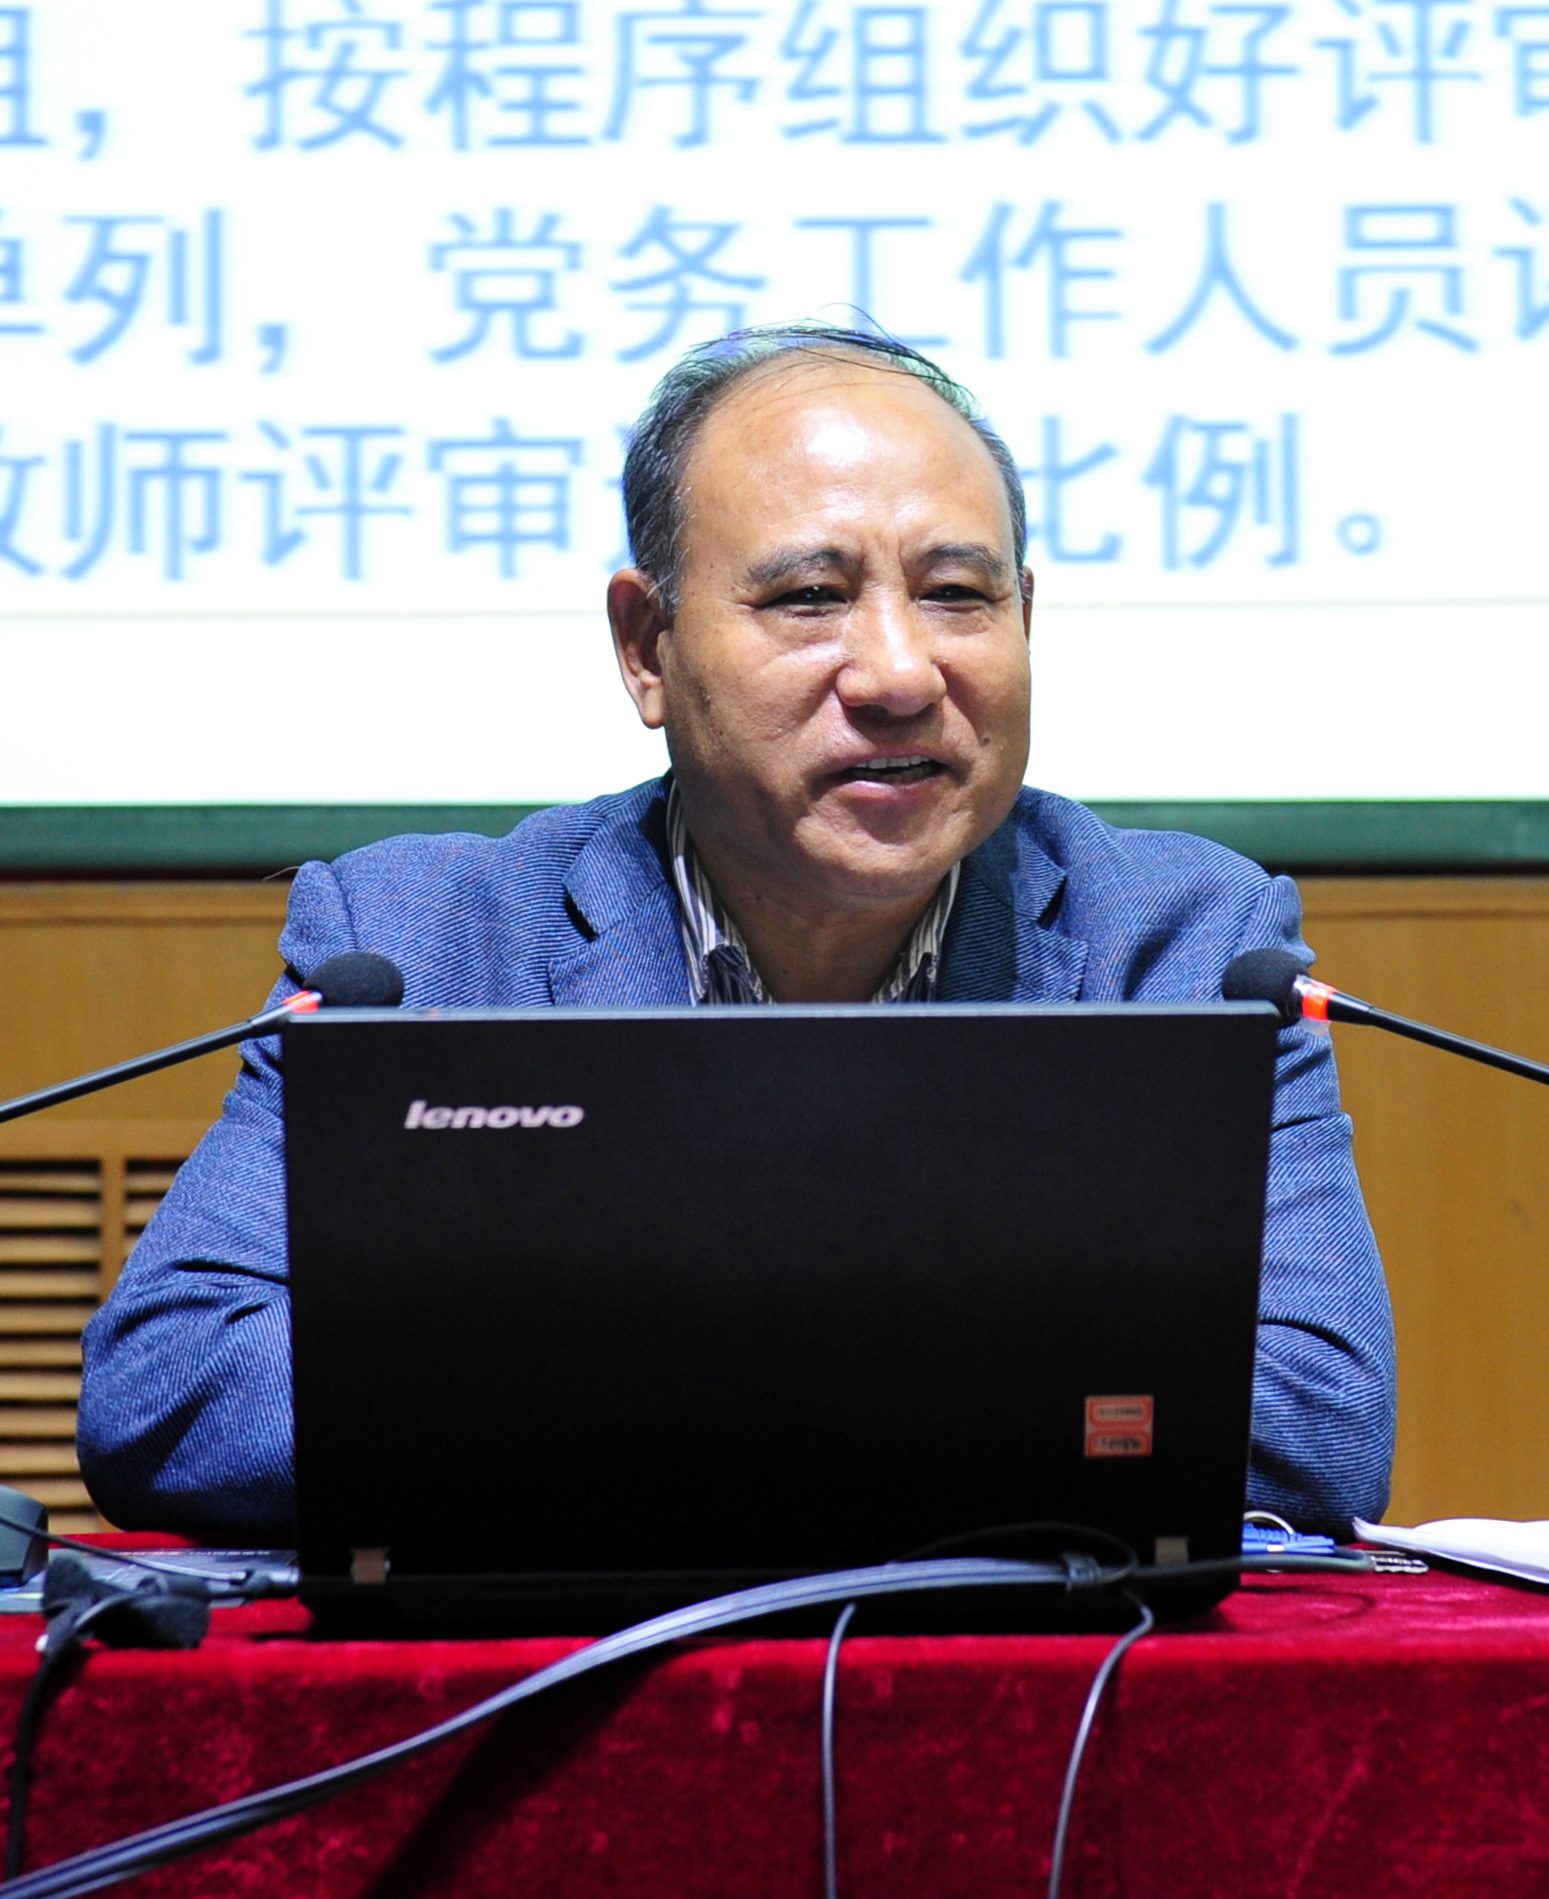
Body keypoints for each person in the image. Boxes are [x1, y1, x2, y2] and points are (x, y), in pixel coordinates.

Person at [77, 324, 1395, 1543]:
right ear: (646, 648)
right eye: (810, 596)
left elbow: (1317, 1418)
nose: (900, 673)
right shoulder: (420, 944)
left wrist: (617, 1393)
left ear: (1025, 622)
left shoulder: (1185, 948)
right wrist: (930, 1387)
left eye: (957, 595)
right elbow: (173, 1387)